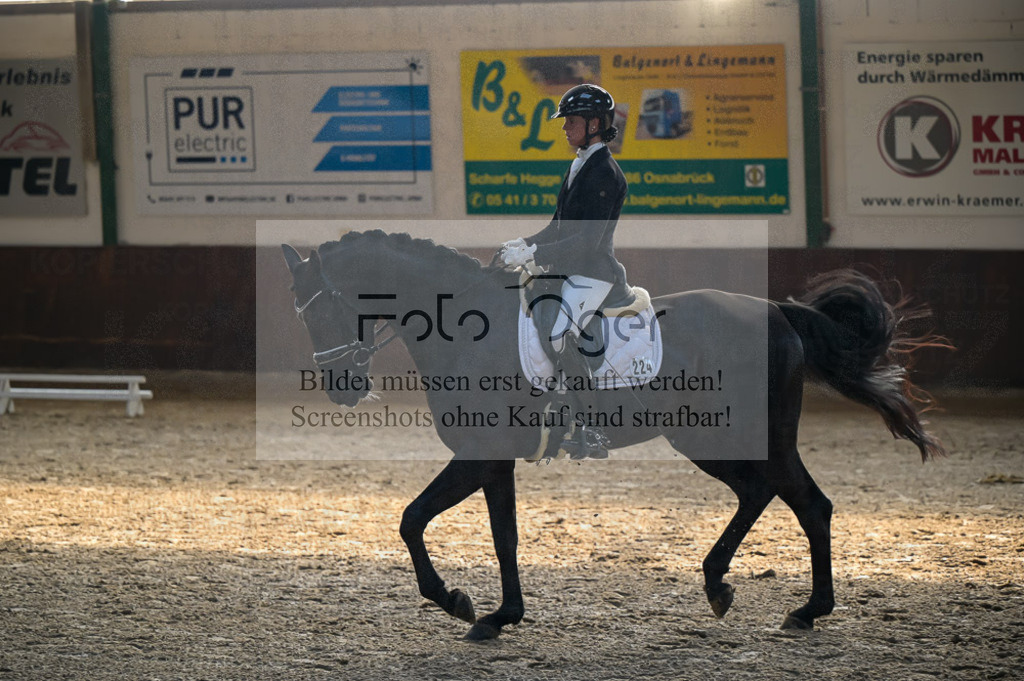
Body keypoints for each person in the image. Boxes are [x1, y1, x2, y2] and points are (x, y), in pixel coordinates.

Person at [501, 83, 630, 459]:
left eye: (570, 121)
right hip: (570, 269)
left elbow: (586, 243)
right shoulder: (580, 164)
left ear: (594, 124)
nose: (564, 127)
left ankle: (591, 426)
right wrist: (523, 243)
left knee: (558, 331)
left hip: (594, 273)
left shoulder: (605, 172)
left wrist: (536, 250)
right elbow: (558, 227)